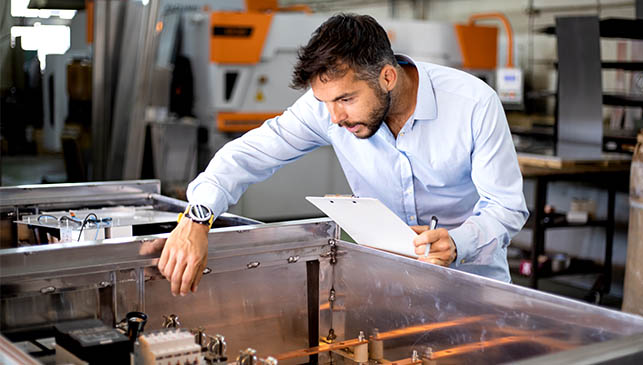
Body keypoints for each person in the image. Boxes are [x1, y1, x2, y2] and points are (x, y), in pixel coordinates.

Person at [157, 13, 528, 296]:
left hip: (473, 287)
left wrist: (457, 243)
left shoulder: (473, 104)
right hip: (389, 284)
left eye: (346, 100)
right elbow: (248, 154)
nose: (334, 118)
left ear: (387, 77)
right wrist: (197, 217)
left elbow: (507, 207)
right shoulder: (329, 110)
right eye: (326, 102)